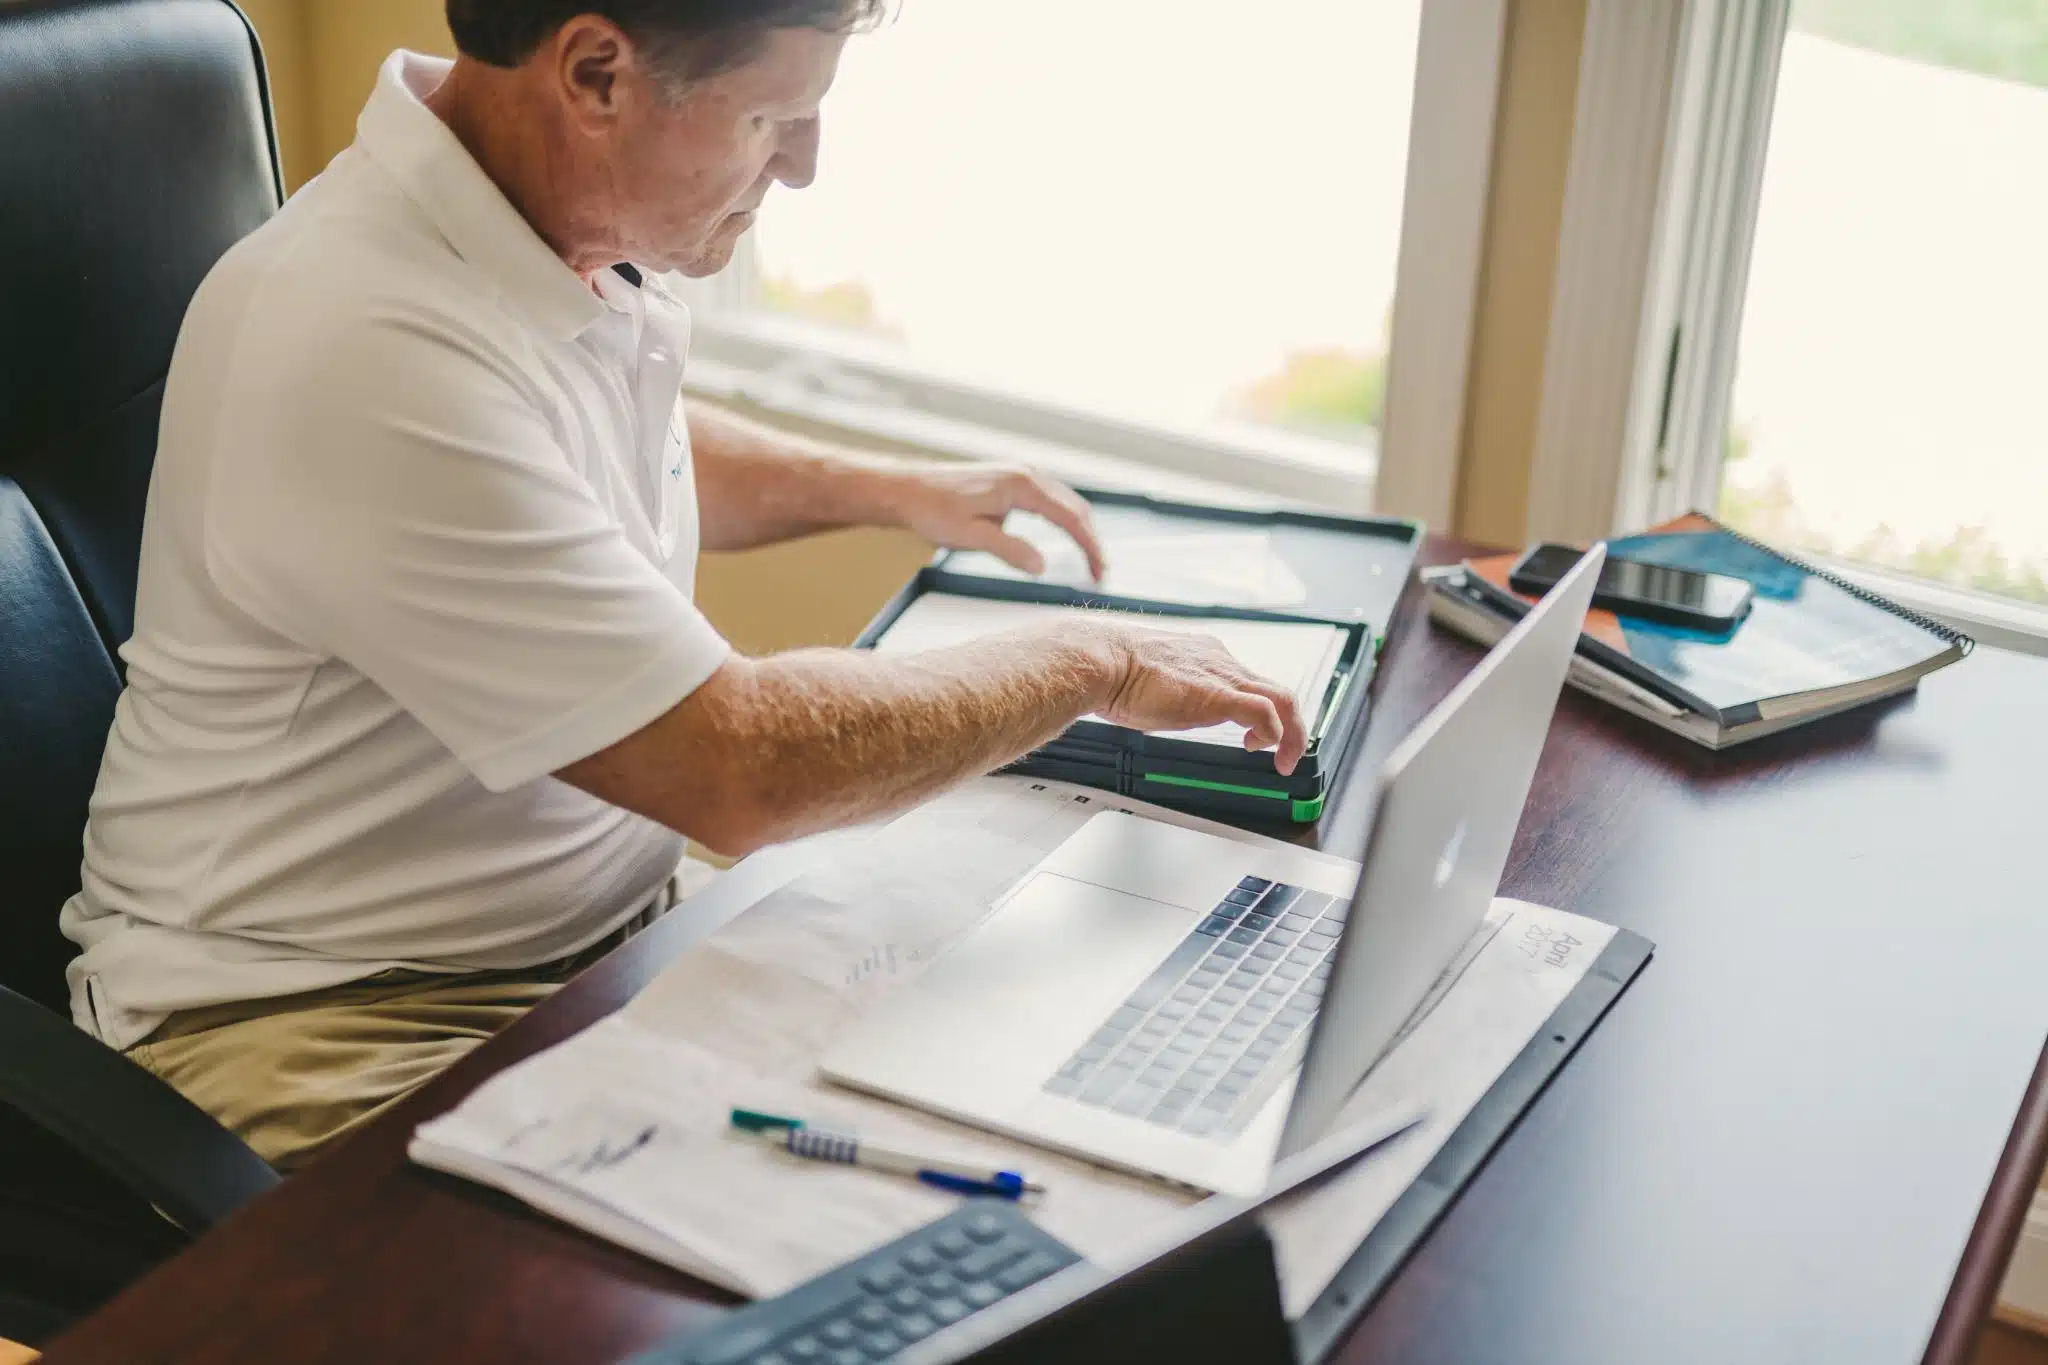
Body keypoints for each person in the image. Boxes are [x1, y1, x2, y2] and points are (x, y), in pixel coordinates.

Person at [59, 0, 1307, 1171]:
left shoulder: (529, 227)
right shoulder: (361, 337)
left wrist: (888, 487)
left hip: (600, 935)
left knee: (997, 1058)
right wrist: (1094, 663)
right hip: (325, 1013)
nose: (804, 164)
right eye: (772, 118)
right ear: (595, 73)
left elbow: (585, 442)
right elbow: (740, 767)